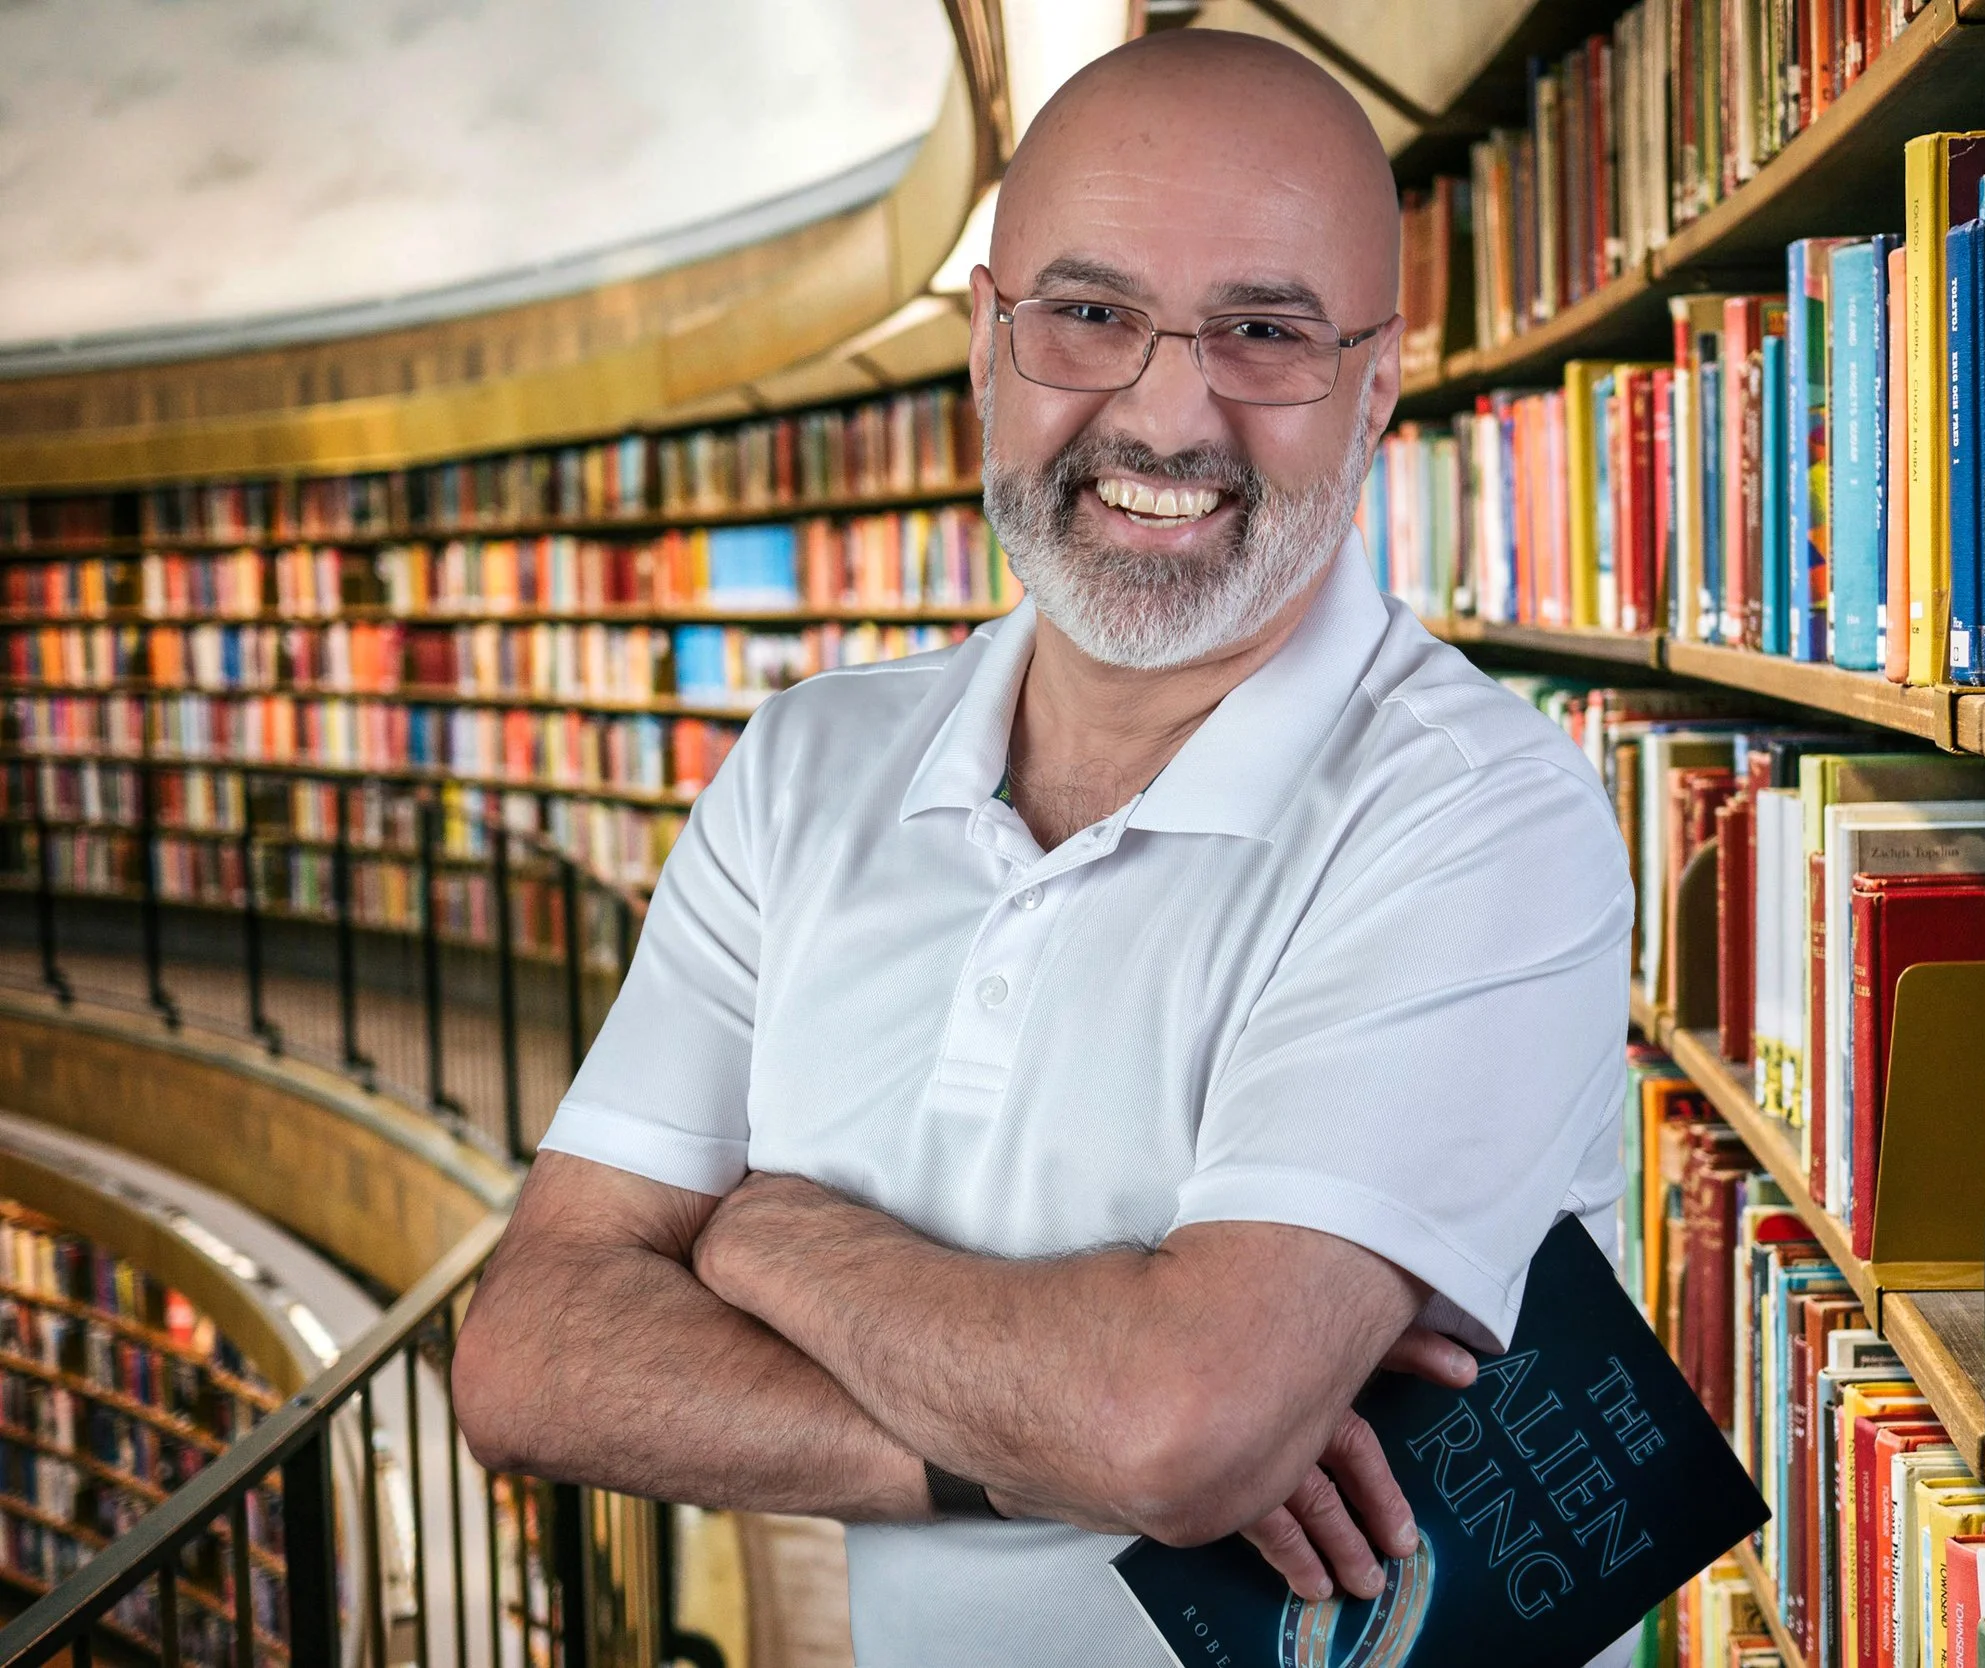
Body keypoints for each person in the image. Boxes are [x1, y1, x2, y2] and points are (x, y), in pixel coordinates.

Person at [451, 27, 1634, 1666]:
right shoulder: (806, 765)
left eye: (1265, 330)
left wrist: (766, 1234)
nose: (1168, 410)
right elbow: (527, 1361)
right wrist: (1039, 1439)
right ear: (986, 345)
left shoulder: (1482, 816)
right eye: (1091, 313)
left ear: (1376, 388)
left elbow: (1176, 1432)